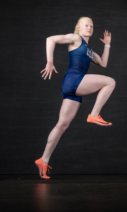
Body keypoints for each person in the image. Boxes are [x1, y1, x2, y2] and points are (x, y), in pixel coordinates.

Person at [34, 17, 116, 179]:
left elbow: (103, 63)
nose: (89, 28)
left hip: (71, 89)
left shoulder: (89, 50)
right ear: (79, 27)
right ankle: (93, 115)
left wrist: (107, 44)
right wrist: (50, 62)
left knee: (62, 125)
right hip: (73, 80)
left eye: (91, 26)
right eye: (86, 25)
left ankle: (43, 160)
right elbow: (50, 39)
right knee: (110, 82)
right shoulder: (75, 38)